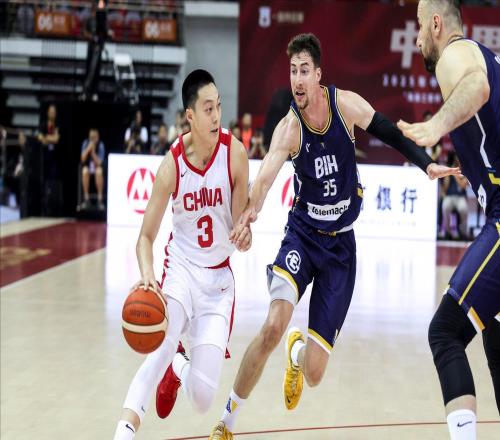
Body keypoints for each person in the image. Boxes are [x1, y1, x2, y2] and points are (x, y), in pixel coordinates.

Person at [209, 33, 460, 439]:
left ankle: (296, 352)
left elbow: (389, 132)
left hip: (341, 248)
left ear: (318, 75)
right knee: (272, 325)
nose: (297, 79)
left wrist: (425, 164)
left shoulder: (345, 106)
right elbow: (265, 178)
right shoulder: (289, 128)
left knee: (314, 374)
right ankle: (227, 421)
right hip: (303, 236)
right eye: (292, 71)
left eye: (304, 70)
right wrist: (249, 213)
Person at [112, 69, 251, 440]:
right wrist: (147, 274)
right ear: (190, 115)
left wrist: (245, 234)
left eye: (218, 106)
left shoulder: (235, 154)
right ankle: (123, 432)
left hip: (218, 282)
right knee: (155, 353)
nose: (217, 116)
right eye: (208, 109)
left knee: (203, 399)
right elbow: (145, 237)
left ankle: (179, 366)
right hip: (181, 271)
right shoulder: (171, 165)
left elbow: (240, 225)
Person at [397, 1, 500, 439]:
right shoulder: (487, 55)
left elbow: (476, 86)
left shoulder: (455, 53)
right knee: (495, 336)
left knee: (445, 332)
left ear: (437, 24)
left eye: (421, 26)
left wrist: (435, 126)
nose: (419, 37)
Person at [440, 152, 469, 240]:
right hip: (450, 196)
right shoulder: (449, 169)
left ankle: (463, 232)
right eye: (456, 159)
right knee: (445, 206)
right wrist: (448, 174)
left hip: (460, 197)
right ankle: (447, 232)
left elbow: (463, 185)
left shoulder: (465, 170)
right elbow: (445, 187)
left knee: (463, 208)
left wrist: (454, 174)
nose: (457, 161)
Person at [80, 128, 105, 210]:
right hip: (88, 168)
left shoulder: (100, 145)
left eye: (94, 138)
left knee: (99, 172)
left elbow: (100, 163)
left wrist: (93, 153)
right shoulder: (85, 143)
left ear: (98, 137)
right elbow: (82, 159)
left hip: (96, 168)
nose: (92, 140)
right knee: (84, 171)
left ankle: (100, 200)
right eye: (91, 137)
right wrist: (88, 149)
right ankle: (86, 199)